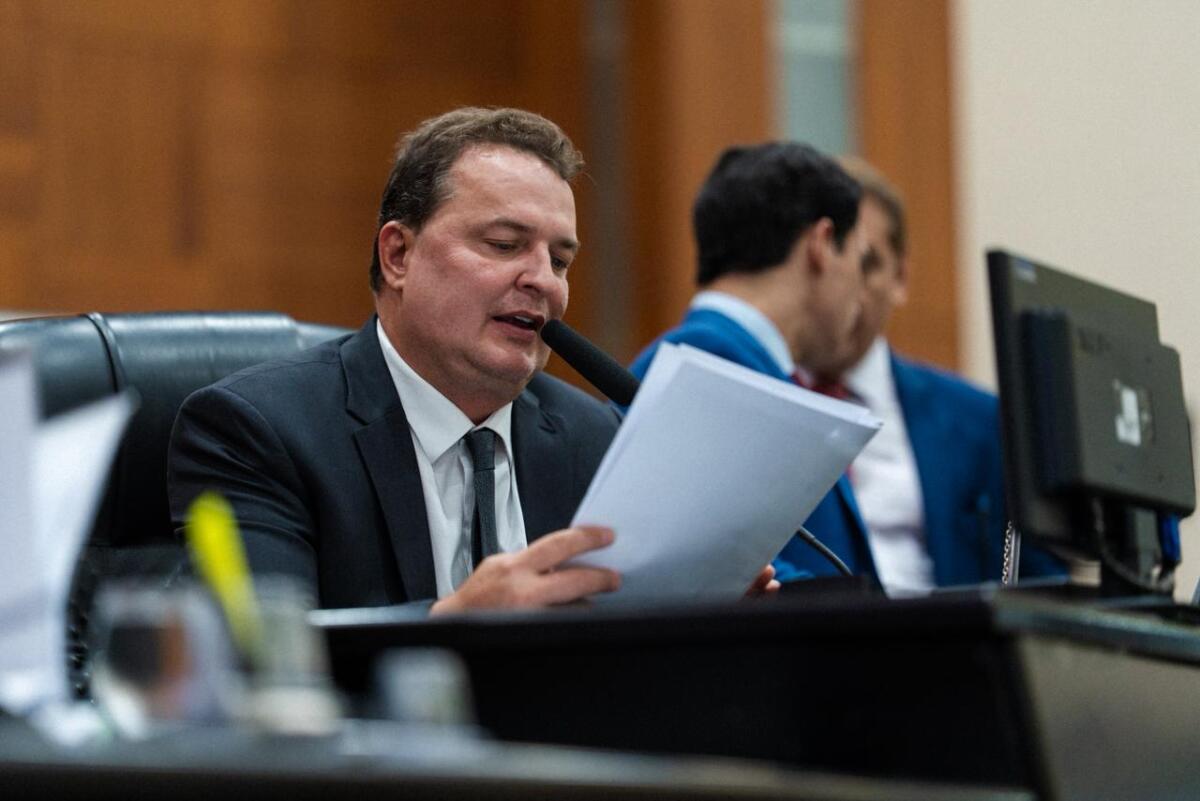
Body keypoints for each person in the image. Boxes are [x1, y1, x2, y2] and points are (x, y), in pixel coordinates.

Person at [170, 107, 775, 614]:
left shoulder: (592, 438)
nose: (544, 282)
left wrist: (688, 619)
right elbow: (258, 662)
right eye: (504, 245)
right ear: (398, 255)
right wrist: (452, 624)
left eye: (560, 261)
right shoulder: (259, 430)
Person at [792, 157, 1063, 592]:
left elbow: (1042, 586)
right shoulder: (756, 400)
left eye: (865, 263)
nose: (844, 285)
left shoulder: (983, 422)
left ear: (900, 277)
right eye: (827, 261)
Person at [629, 142, 877, 584]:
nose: (862, 296)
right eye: (860, 263)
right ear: (821, 245)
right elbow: (697, 560)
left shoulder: (733, 362)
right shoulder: (709, 365)